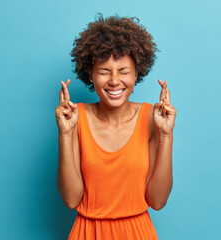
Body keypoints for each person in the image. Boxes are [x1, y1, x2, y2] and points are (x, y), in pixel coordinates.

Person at [55, 13, 177, 239]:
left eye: (123, 71)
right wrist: (65, 133)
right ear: (90, 75)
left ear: (137, 73)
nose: (114, 80)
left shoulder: (151, 117)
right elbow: (71, 199)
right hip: (86, 233)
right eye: (104, 72)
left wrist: (166, 135)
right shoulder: (75, 117)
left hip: (137, 233)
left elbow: (157, 201)